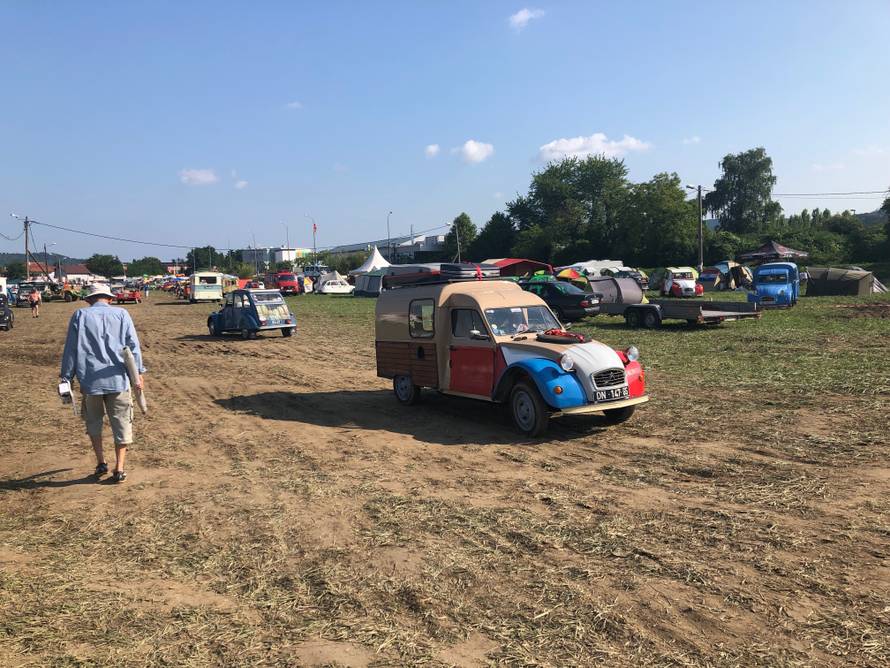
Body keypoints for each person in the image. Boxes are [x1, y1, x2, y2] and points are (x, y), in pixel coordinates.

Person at [60, 283, 145, 483]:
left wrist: (66, 377)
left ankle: (101, 462)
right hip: (118, 379)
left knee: (94, 422)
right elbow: (133, 346)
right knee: (122, 422)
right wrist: (138, 374)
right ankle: (120, 467)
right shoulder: (122, 314)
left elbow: (71, 349)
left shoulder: (80, 316)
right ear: (109, 298)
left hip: (90, 381)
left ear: (89, 299)